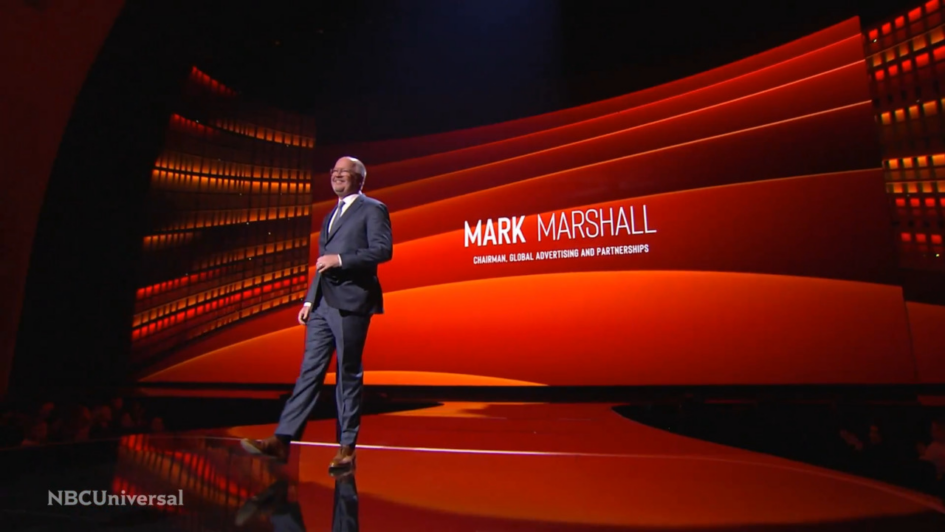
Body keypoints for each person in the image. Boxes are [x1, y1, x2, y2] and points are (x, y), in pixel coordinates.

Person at [241, 156, 392, 472]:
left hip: (352, 302)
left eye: (344, 172)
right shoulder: (330, 215)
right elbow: (322, 262)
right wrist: (310, 301)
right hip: (323, 305)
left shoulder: (373, 209)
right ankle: (282, 439)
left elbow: (382, 250)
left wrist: (341, 259)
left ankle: (346, 448)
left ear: (359, 178)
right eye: (334, 171)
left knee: (347, 373)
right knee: (309, 372)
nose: (337, 176)